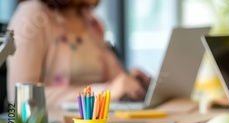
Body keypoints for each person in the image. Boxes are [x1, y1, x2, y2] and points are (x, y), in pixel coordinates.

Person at [7, 0, 150, 110]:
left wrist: (132, 82)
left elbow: (116, 83)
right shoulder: (32, 15)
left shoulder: (93, 23)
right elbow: (21, 96)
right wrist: (103, 92)